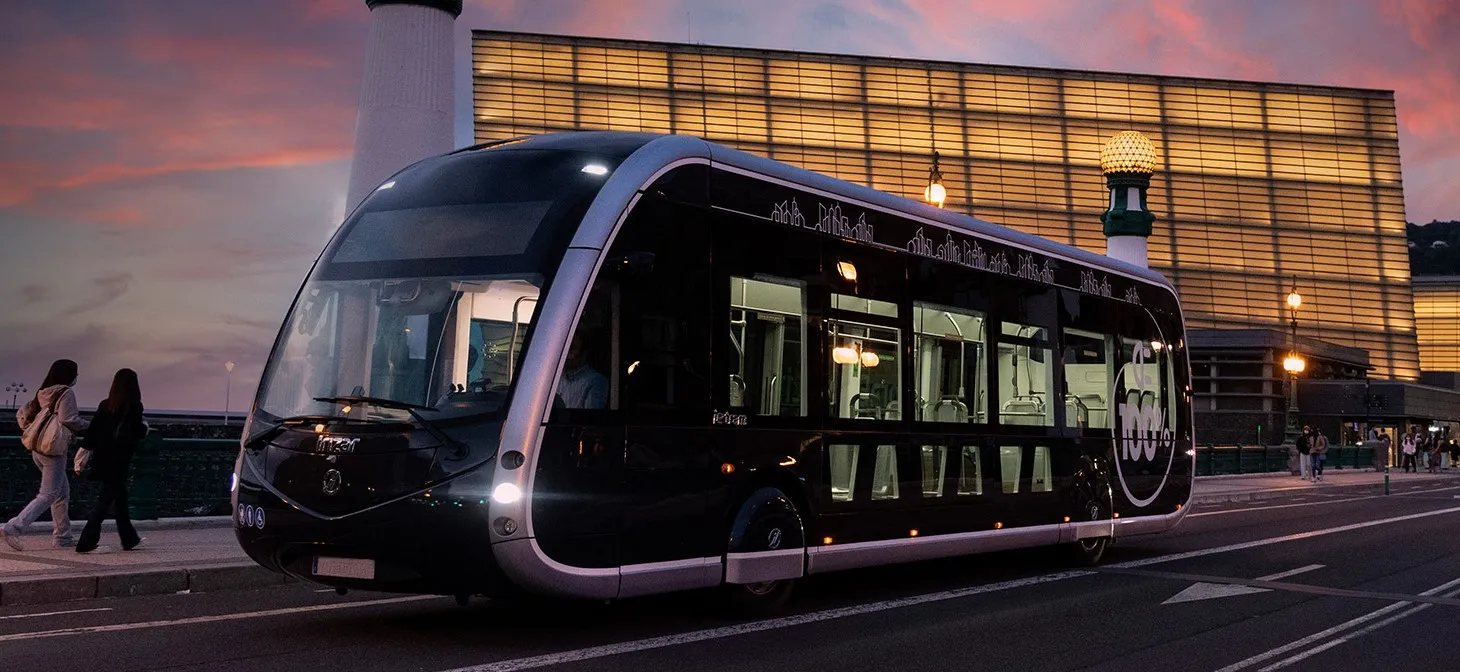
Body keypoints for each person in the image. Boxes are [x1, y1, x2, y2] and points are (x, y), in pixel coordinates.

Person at [1, 359, 89, 551]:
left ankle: (63, 538)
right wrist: (89, 425)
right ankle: (13, 527)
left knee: (61, 493)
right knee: (48, 494)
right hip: (53, 450)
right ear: (69, 375)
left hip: (37, 449)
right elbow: (69, 419)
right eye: (76, 373)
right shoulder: (66, 392)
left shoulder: (43, 392)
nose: (77, 377)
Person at [75, 369, 148, 553]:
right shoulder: (134, 406)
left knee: (120, 500)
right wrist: (145, 427)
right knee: (104, 502)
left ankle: (129, 539)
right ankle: (86, 542)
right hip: (119, 461)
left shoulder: (105, 405)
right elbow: (137, 432)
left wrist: (83, 454)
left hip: (102, 458)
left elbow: (92, 432)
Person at [558, 333, 608, 410]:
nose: (566, 354)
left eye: (571, 348)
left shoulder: (596, 380)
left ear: (584, 353)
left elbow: (590, 418)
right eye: (565, 348)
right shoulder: (556, 378)